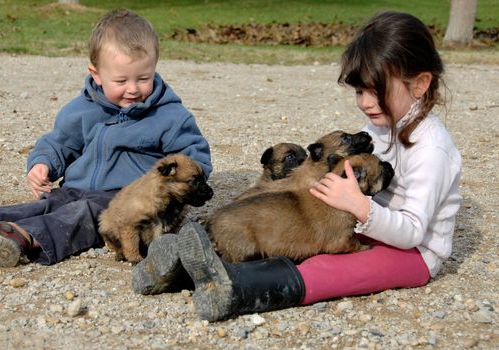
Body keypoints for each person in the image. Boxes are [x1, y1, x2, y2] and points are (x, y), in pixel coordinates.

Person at [132, 11, 462, 322]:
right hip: (367, 230)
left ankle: (236, 289)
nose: (364, 102)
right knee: (295, 245)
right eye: (360, 91)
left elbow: (413, 232)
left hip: (414, 254)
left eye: (376, 91)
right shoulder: (384, 123)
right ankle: (182, 269)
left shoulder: (431, 150)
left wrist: (361, 208)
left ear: (419, 84)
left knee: (326, 269)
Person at [0, 9, 212, 267]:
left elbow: (194, 156)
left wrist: (187, 183)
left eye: (143, 78)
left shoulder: (170, 116)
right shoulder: (81, 110)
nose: (133, 89)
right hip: (75, 187)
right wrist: (43, 164)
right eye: (121, 81)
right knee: (44, 205)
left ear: (154, 70)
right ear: (96, 75)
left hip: (124, 200)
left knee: (80, 215)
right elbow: (60, 143)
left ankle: (21, 238)